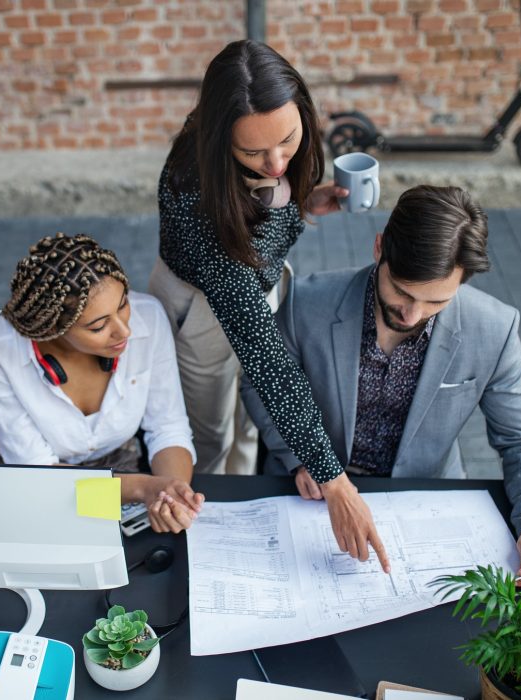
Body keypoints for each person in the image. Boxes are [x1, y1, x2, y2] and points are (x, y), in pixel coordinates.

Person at [242, 185, 521, 580]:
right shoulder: (306, 302)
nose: (413, 314)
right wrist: (301, 459)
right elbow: (259, 386)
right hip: (310, 497)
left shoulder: (494, 330)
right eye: (403, 292)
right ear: (379, 249)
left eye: (436, 303)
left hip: (424, 505)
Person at [149, 39, 387, 569]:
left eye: (287, 141)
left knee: (251, 425)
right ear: (218, 139)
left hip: (258, 288)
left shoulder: (273, 157)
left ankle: (241, 504)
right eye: (254, 153)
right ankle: (201, 537)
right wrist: (335, 482)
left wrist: (302, 204)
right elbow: (272, 364)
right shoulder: (198, 198)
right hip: (201, 310)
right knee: (206, 434)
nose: (277, 162)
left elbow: (266, 208)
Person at [0, 233, 204, 533]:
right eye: (98, 326)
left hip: (119, 471)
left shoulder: (150, 317)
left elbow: (167, 426)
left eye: (123, 305)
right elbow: (40, 477)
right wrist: (142, 490)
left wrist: (171, 496)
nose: (124, 331)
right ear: (53, 328)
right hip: (30, 476)